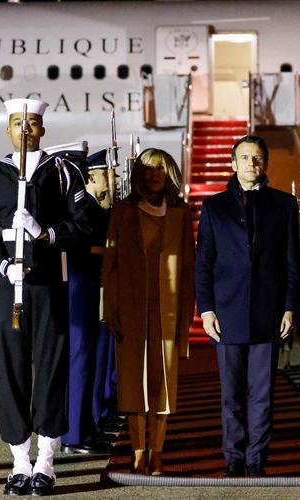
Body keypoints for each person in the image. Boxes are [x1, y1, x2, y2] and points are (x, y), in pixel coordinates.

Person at [0, 98, 94, 496]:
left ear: (43, 129)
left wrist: (45, 233)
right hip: (11, 287)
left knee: (52, 368)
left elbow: (83, 225)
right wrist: (2, 266)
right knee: (13, 371)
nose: (26, 129)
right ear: (7, 128)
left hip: (49, 285)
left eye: (33, 123)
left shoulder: (61, 173)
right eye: (18, 122)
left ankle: (46, 460)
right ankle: (19, 461)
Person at [195, 135, 300, 478]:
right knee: (231, 395)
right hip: (226, 313)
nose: (251, 164)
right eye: (244, 157)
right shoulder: (214, 207)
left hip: (268, 312)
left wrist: (289, 307)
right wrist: (206, 309)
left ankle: (256, 458)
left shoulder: (284, 205)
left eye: (257, 158)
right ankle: (233, 456)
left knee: (263, 394)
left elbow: (291, 262)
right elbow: (204, 262)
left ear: (265, 163)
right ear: (233, 163)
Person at [102, 148, 195, 476]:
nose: (155, 174)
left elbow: (188, 268)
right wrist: (108, 308)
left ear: (169, 172)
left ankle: (157, 451)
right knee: (133, 383)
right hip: (130, 308)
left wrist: (187, 315)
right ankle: (138, 451)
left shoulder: (181, 214)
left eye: (160, 168)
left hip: (168, 309)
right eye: (148, 168)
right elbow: (109, 264)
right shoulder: (123, 212)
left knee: (162, 384)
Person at [63, 149, 113, 455]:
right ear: (91, 177)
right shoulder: (85, 210)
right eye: (107, 172)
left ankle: (87, 427)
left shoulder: (95, 209)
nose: (113, 178)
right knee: (81, 360)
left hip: (90, 286)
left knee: (91, 360)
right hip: (81, 287)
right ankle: (74, 434)